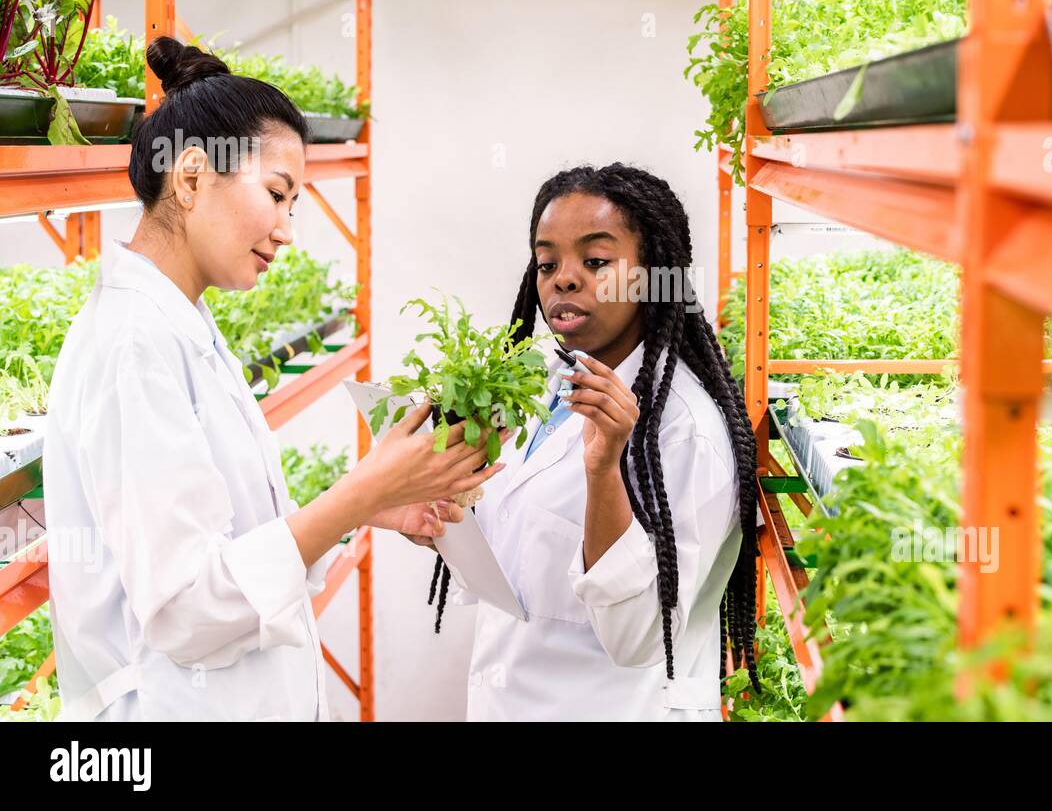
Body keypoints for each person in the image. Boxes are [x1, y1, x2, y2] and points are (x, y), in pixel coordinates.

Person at [42, 38, 506, 721]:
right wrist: (359, 492)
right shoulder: (133, 346)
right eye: (277, 195)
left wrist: (369, 508)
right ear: (192, 177)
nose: (287, 230)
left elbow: (222, 541)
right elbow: (188, 607)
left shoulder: (181, 323)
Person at [421, 163, 760, 721]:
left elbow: (641, 637)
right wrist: (444, 515)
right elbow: (521, 547)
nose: (564, 279)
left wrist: (604, 473)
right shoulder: (546, 381)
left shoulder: (684, 429)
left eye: (596, 261)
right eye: (547, 262)